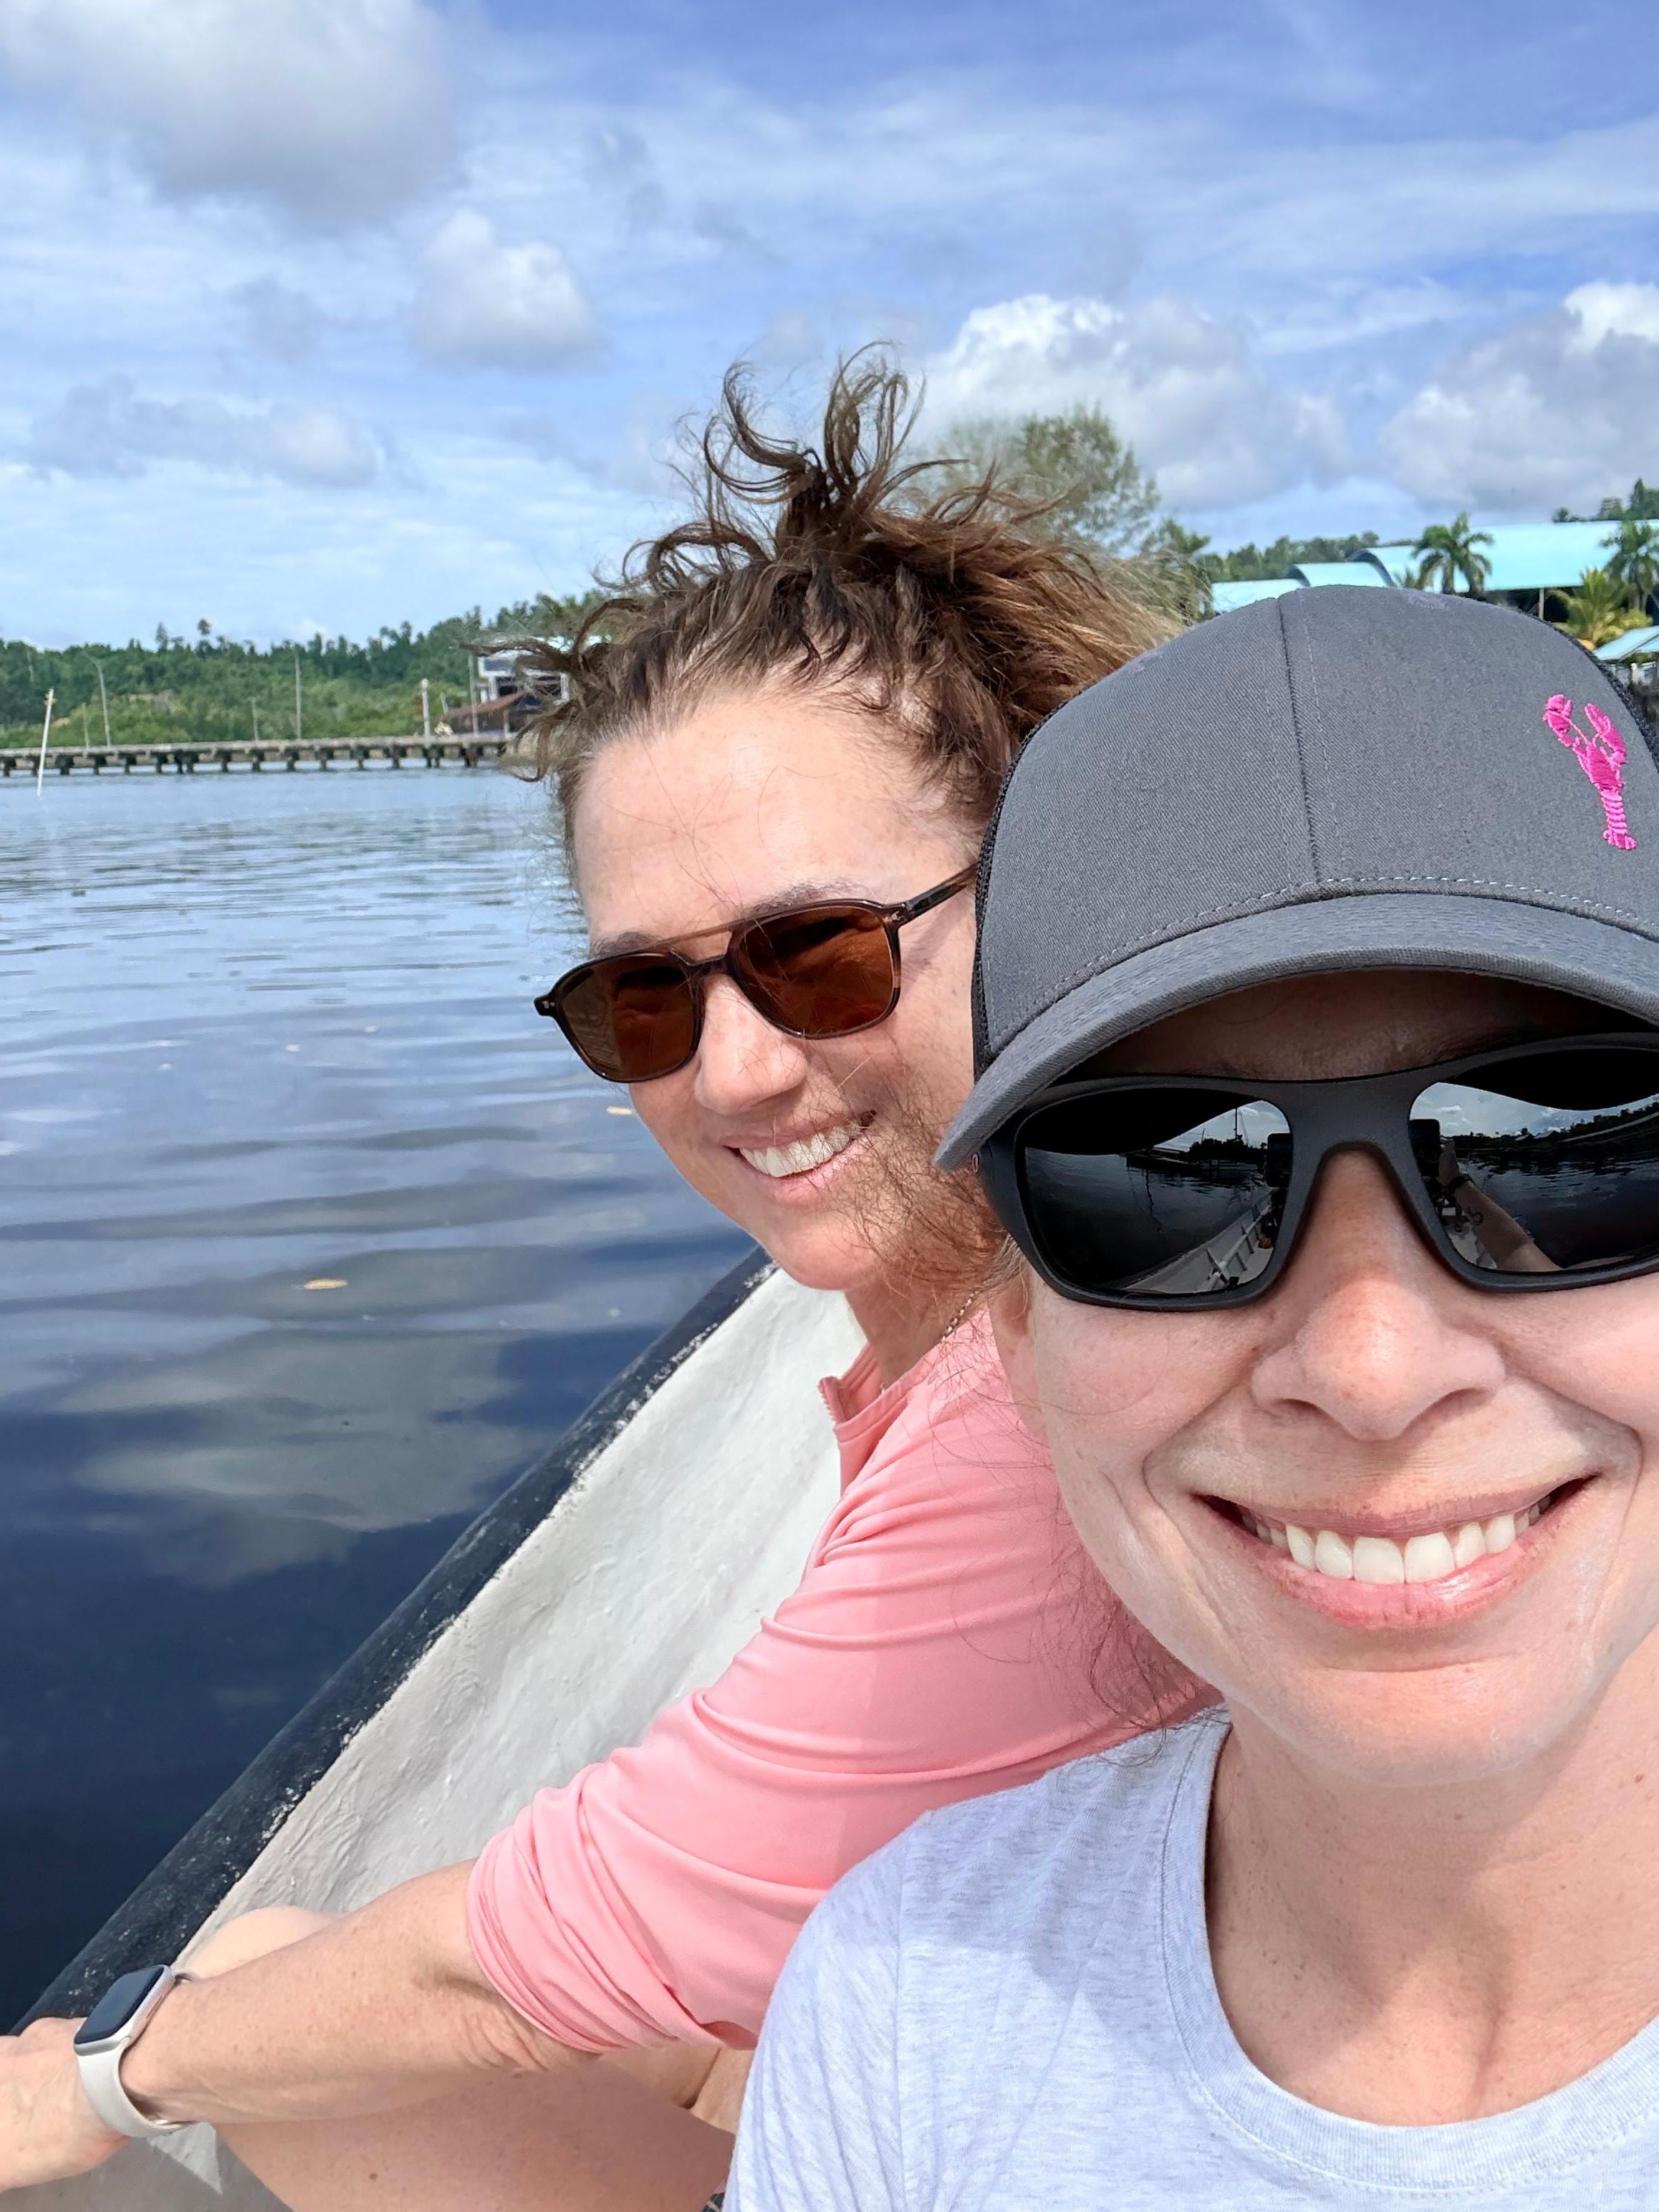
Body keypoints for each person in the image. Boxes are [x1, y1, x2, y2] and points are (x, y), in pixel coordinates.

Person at [0, 361, 1196, 2210]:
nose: (728, 1077)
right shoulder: (1012, 1321)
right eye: (642, 997)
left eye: (821, 954)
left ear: (1053, 902)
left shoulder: (1060, 1410)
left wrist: (103, 2076)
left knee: (259, 2037)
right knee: (268, 1976)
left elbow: (512, 1967)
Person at [727, 583, 1659, 2208]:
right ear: (1012, 1333)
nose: (1373, 1369)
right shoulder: (903, 2008)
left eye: (1564, 1140)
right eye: (1162, 1172)